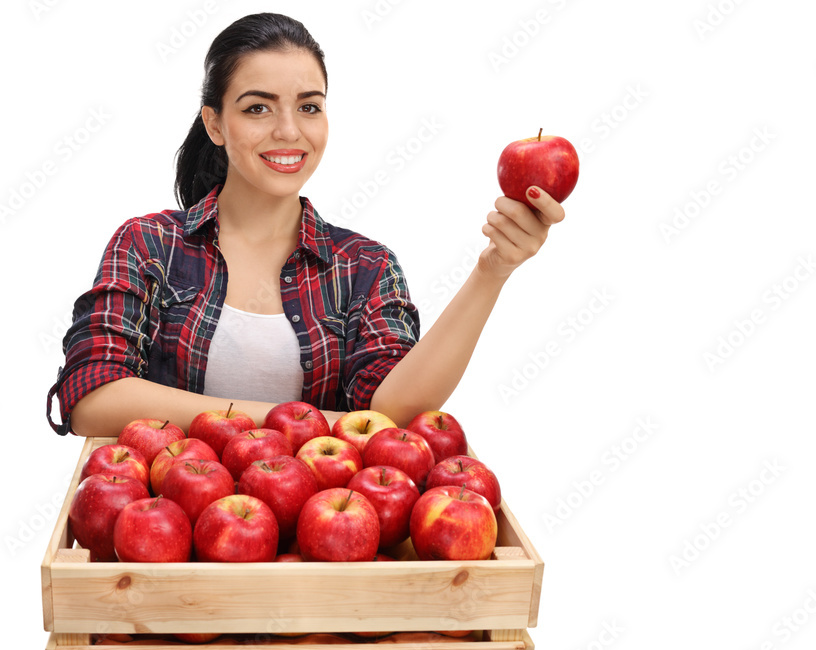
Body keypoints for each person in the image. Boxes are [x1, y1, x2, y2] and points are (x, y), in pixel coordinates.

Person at [46, 12, 565, 437]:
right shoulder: (150, 245)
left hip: (323, 549)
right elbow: (92, 396)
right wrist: (295, 425)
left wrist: (493, 269)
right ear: (215, 124)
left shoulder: (365, 267)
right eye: (257, 109)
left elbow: (392, 414)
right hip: (169, 543)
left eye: (308, 107)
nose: (289, 131)